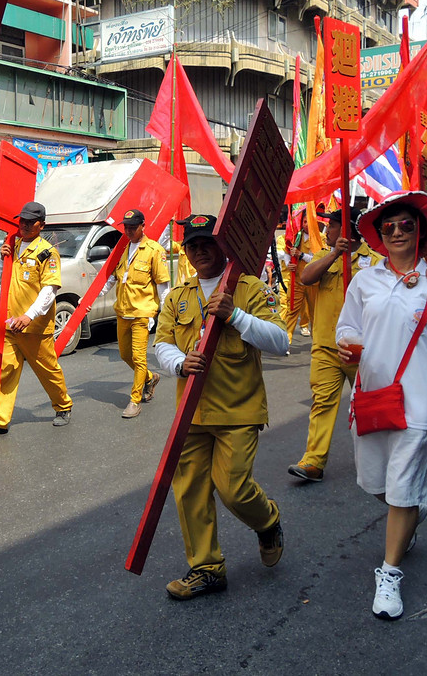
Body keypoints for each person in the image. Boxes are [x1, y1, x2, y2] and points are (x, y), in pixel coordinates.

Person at [337, 191, 427, 620]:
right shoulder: (364, 280)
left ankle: (390, 572)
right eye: (388, 226)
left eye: (405, 225)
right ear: (379, 234)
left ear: (421, 231)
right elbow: (347, 326)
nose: (396, 231)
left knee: (400, 488)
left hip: (422, 403)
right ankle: (412, 506)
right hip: (373, 397)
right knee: (377, 485)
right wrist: (349, 346)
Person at [154, 214, 290, 601]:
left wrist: (235, 315)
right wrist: (180, 362)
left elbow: (280, 341)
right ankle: (207, 567)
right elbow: (162, 344)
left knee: (233, 489)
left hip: (238, 410)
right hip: (192, 411)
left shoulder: (248, 288)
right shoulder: (177, 297)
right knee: (191, 491)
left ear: (223, 246)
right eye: (192, 245)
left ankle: (267, 520)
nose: (200, 251)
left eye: (207, 243)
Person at [287, 211, 379, 483]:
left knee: (368, 405)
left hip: (361, 350)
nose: (327, 230)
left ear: (348, 230)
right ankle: (314, 461)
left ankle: (378, 460)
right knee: (322, 403)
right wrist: (334, 255)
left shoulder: (373, 261)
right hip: (326, 347)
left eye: (333, 225)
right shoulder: (322, 257)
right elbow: (306, 279)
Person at [0, 202, 73, 437]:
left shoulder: (47, 252)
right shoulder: (12, 245)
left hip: (35, 326)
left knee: (48, 370)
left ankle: (63, 405)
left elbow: (50, 289)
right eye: (22, 221)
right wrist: (1, 259)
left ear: (41, 225)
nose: (25, 225)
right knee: (5, 369)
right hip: (8, 324)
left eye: (31, 222)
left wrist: (30, 316)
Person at [99, 208, 170, 419]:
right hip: (123, 312)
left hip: (142, 312)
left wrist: (162, 315)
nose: (129, 231)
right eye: (126, 227)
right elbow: (113, 278)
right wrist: (91, 298)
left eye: (133, 227)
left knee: (139, 358)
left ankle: (135, 400)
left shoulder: (154, 250)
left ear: (143, 226)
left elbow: (162, 285)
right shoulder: (122, 248)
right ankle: (150, 377)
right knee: (124, 354)